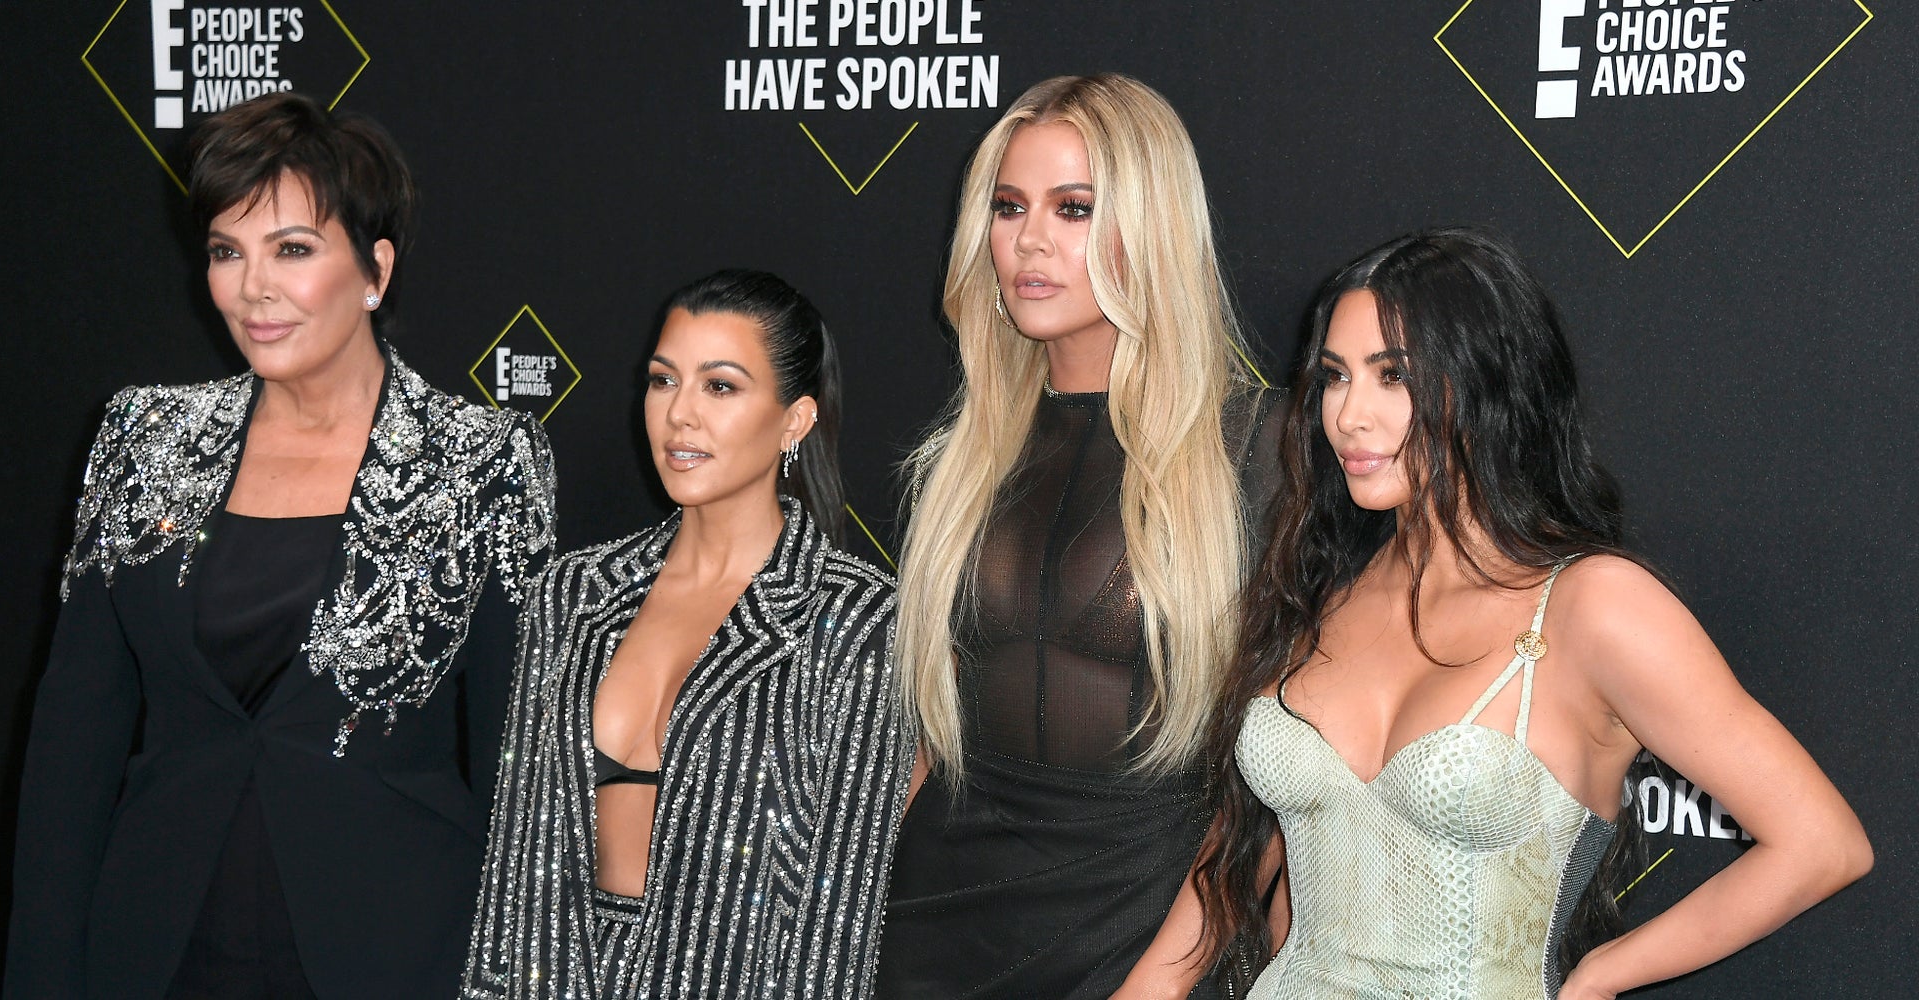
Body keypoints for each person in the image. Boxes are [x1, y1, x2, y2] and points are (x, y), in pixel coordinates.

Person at [1195, 227, 1872, 998]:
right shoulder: (1323, 589)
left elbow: (1821, 842)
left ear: (1487, 383)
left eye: (1393, 377)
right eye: (1335, 377)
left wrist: (1599, 977)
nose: (1349, 415)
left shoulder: (1593, 606)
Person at [3, 92, 557, 999]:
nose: (251, 287)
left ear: (375, 269)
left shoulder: (483, 463)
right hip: (155, 946)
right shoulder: (144, 439)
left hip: (396, 951)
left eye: (292, 250)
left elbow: (520, 770)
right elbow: (71, 754)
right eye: (227, 251)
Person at [879, 74, 1279, 999]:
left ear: (1153, 223)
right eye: (1009, 206)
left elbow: (1271, 778)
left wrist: (1163, 982)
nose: (1029, 241)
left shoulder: (1256, 450)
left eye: (1074, 208)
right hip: (936, 928)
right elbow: (937, 746)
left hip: (1138, 923)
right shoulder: (965, 459)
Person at [462, 270, 911, 999]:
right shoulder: (571, 594)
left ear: (795, 420)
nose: (680, 416)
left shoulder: (859, 622)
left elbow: (838, 928)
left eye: (721, 387)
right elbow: (516, 864)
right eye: (664, 381)